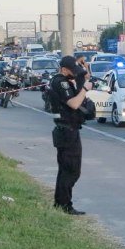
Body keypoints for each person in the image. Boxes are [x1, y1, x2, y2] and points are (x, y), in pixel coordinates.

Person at [48, 56, 93, 215]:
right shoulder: (61, 82)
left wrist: (83, 74)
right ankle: (64, 205)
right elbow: (74, 103)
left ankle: (61, 203)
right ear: (64, 69)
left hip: (68, 130)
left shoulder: (63, 80)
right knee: (71, 171)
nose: (75, 74)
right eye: (73, 71)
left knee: (66, 170)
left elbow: (80, 84)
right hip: (67, 131)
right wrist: (86, 89)